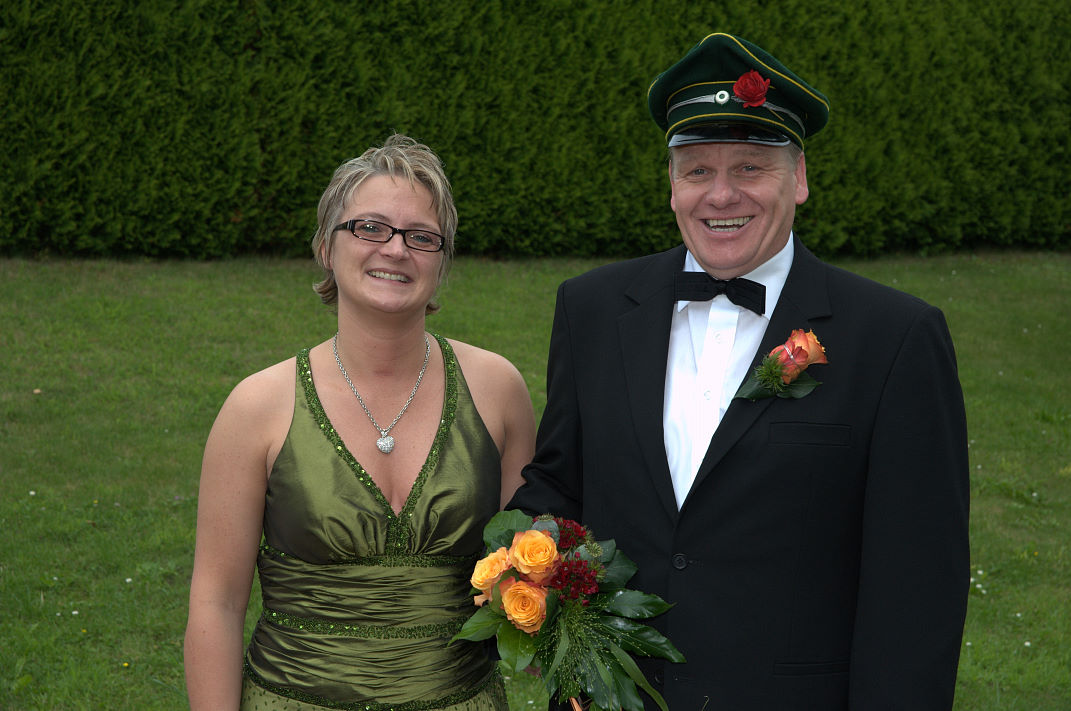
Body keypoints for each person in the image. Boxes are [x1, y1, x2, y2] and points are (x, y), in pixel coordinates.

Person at [509, 32, 969, 710]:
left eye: (750, 167)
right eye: (697, 170)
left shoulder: (894, 338)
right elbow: (560, 483)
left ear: (798, 178)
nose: (720, 195)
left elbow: (917, 582)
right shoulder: (592, 309)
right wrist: (512, 563)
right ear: (671, 184)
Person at [184, 133, 536, 711]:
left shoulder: (497, 391)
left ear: (441, 261)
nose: (395, 250)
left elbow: (533, 571)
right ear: (327, 246)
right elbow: (216, 603)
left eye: (421, 236)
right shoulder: (256, 408)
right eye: (370, 228)